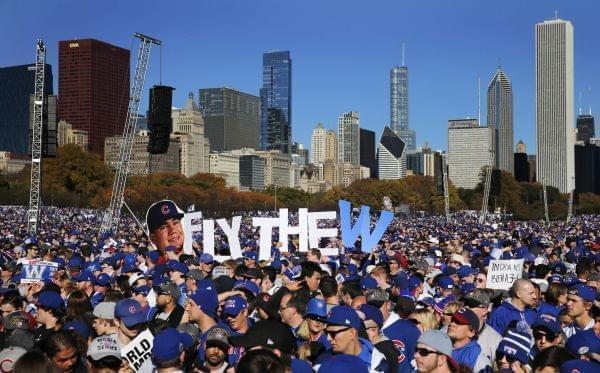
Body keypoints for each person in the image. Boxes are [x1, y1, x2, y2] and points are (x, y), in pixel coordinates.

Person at [323, 305, 388, 372]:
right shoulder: (323, 360)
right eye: (326, 332)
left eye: (333, 333)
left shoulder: (377, 363)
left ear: (352, 333)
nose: (328, 338)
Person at [463, 288, 502, 362]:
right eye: (465, 303)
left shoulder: (496, 340)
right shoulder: (449, 331)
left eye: (471, 305)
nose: (466, 307)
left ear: (484, 310)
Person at [447, 307, 490, 372]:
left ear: (471, 332)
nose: (451, 324)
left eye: (458, 322)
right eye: (452, 320)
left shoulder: (479, 361)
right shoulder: (439, 347)